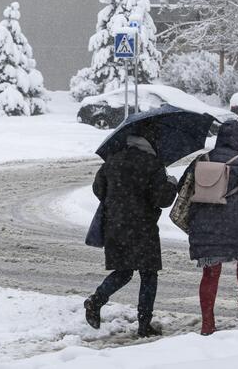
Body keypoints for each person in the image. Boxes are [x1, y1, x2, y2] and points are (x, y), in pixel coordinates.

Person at [178, 120, 238, 336]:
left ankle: (207, 323)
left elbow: (182, 187)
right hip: (235, 224)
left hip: (203, 225)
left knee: (210, 273)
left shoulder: (201, 160)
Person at [84, 132, 177, 337]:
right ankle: (144, 325)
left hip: (115, 225)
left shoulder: (112, 161)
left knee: (123, 271)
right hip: (143, 227)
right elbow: (161, 199)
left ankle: (95, 300)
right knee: (148, 274)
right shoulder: (153, 164)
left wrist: (118, 201)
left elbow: (98, 189)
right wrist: (170, 184)